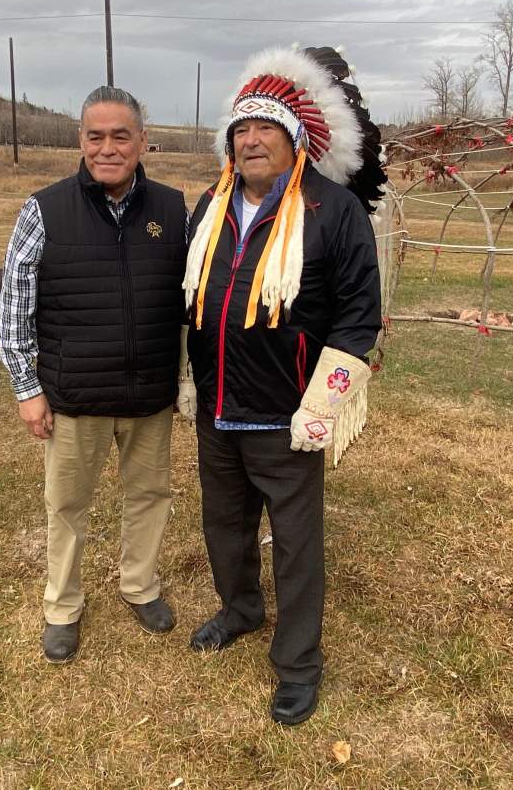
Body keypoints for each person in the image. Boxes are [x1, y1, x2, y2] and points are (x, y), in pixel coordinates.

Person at [180, 46, 384, 724]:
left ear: (295, 138)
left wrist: (324, 399)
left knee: (297, 547)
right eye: (241, 129)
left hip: (285, 412)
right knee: (223, 525)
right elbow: (192, 301)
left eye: (265, 127)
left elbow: (359, 317)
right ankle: (239, 609)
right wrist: (190, 379)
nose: (250, 139)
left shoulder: (332, 212)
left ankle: (298, 665)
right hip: (217, 405)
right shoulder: (210, 207)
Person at [0, 85, 187, 664]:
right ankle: (62, 606)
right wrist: (28, 390)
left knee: (149, 494)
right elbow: (14, 308)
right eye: (96, 136)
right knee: (66, 506)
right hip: (74, 394)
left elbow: (193, 297)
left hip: (149, 393)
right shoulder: (44, 208)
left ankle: (140, 585)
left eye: (120, 136)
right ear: (81, 141)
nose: (108, 148)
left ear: (142, 142)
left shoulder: (173, 210)